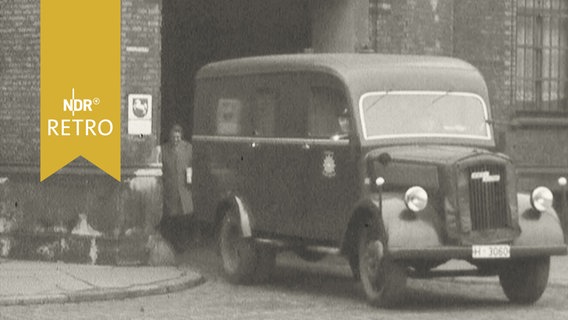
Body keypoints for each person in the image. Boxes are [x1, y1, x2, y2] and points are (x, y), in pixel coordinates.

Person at [159, 124, 194, 252]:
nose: (176, 139)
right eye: (174, 136)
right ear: (170, 136)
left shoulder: (188, 148)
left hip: (185, 189)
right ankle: (172, 246)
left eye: (178, 136)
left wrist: (191, 177)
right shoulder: (163, 149)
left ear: (182, 136)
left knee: (184, 218)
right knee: (171, 218)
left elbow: (193, 164)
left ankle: (183, 246)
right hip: (170, 189)